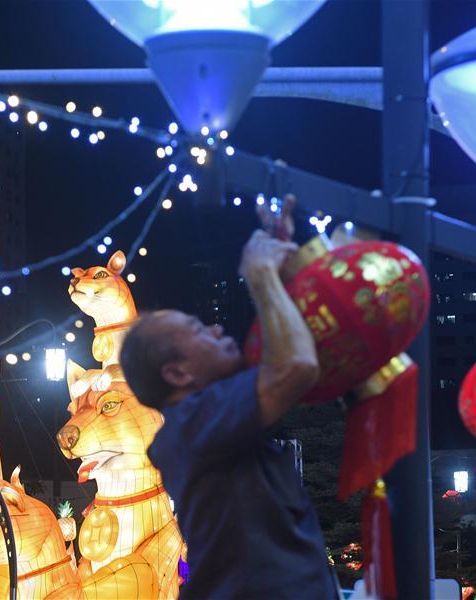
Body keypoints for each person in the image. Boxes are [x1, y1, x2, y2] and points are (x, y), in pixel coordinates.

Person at [119, 199, 341, 599]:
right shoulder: (192, 423)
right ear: (178, 373)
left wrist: (282, 269)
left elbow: (299, 348)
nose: (219, 329)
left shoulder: (208, 421)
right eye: (200, 330)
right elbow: (297, 366)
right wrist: (260, 276)